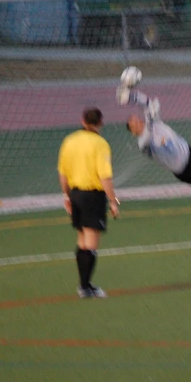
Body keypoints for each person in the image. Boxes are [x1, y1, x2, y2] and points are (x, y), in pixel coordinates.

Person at [57, 107, 120, 299]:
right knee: (91, 243)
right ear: (100, 123)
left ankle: (83, 285)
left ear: (83, 121)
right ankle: (86, 287)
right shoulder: (101, 144)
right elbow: (105, 177)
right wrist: (113, 201)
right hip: (92, 196)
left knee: (82, 239)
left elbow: (63, 174)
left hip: (75, 193)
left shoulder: (70, 140)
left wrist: (67, 196)